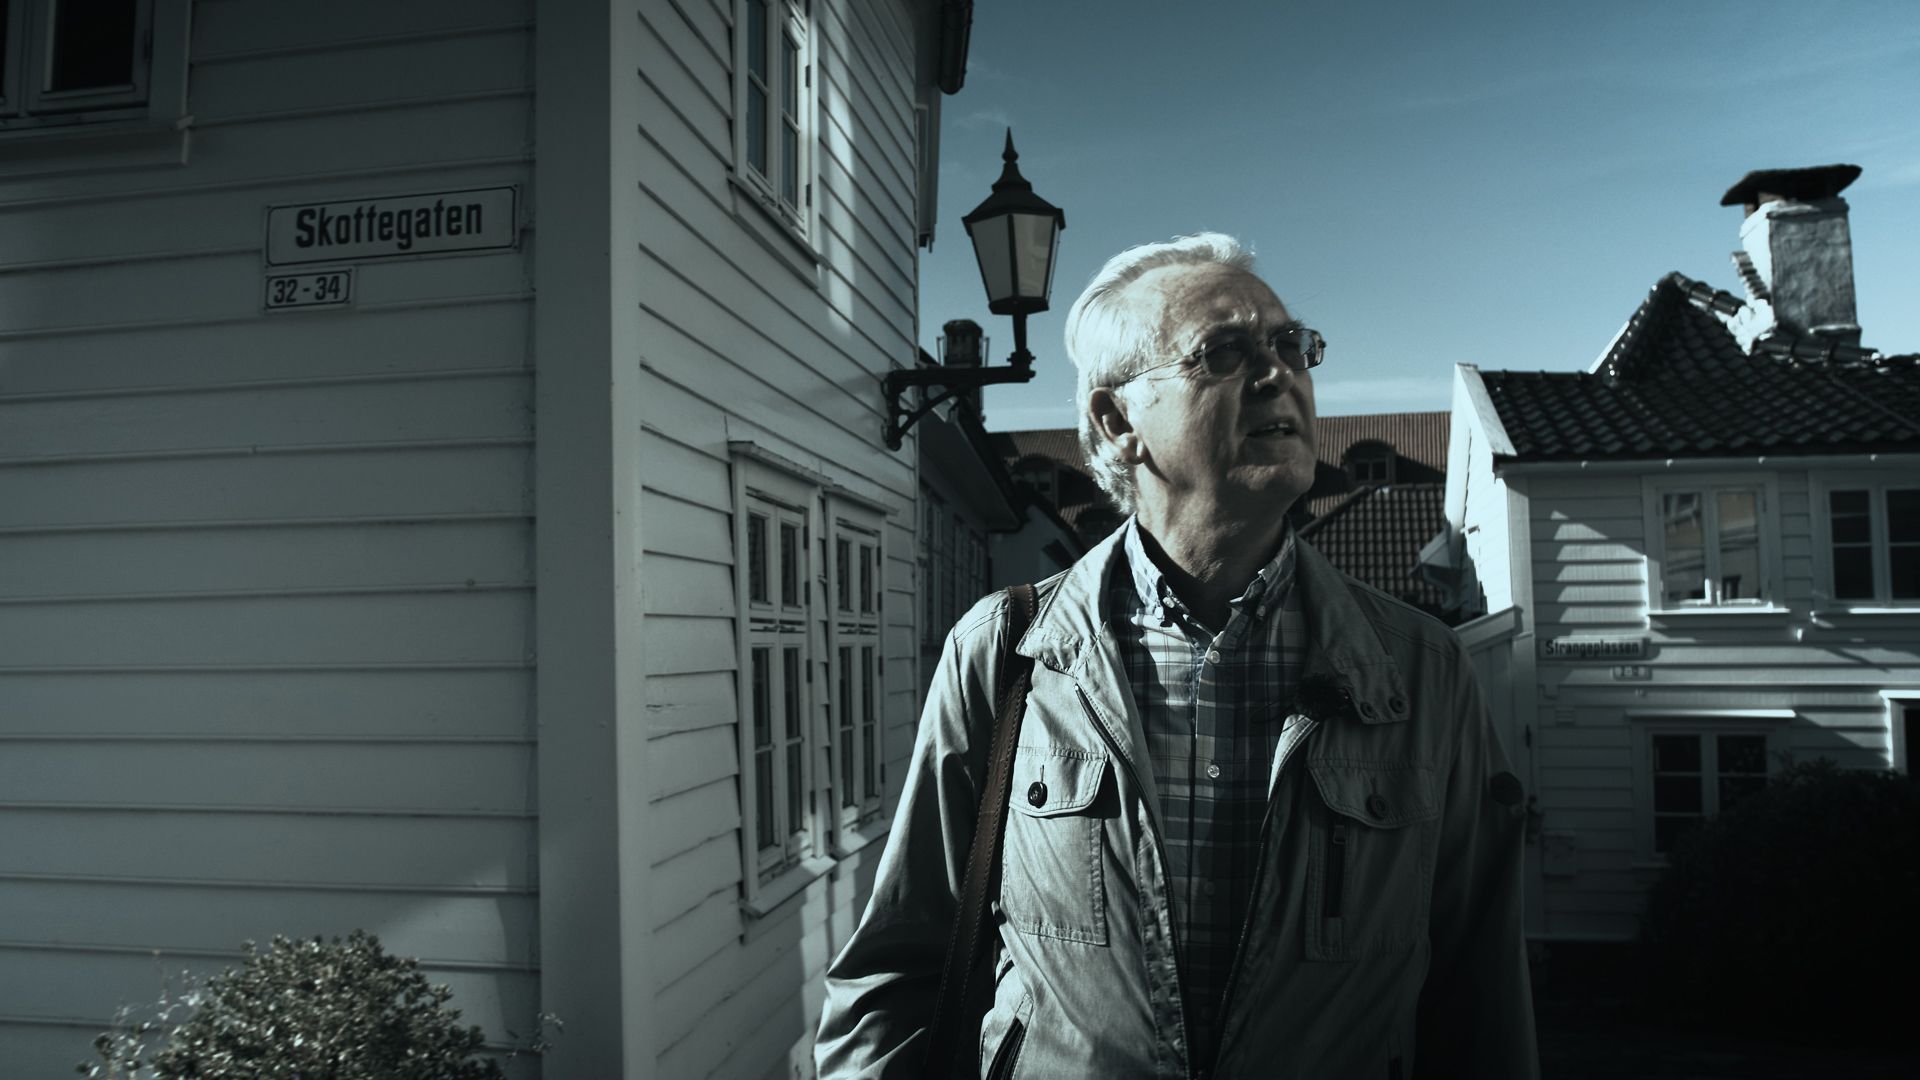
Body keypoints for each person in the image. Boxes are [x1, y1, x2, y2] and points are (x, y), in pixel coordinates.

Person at [816, 233, 1537, 1078]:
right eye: (1224, 352)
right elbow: (901, 971)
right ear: (1116, 423)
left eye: (1290, 344)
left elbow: (1479, 994)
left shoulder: (1419, 669)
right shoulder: (1006, 655)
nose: (1279, 374)